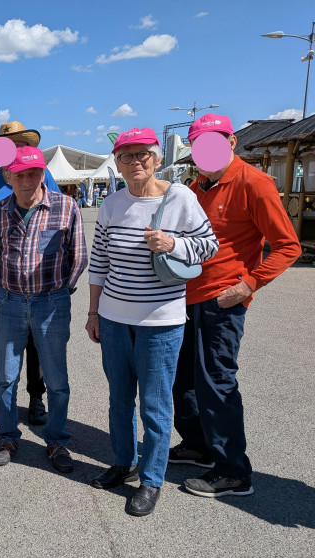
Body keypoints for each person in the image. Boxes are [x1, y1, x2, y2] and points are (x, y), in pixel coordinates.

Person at [85, 127, 219, 517]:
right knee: (119, 399)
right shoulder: (112, 204)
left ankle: (151, 479)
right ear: (117, 163)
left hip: (161, 322)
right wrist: (93, 312)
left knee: (156, 405)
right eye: (126, 156)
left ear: (157, 159)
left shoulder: (181, 198)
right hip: (113, 319)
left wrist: (174, 244)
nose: (135, 161)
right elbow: (100, 264)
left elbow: (208, 244)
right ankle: (123, 462)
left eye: (143, 154)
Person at [170, 114, 301, 498]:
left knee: (216, 382)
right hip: (186, 297)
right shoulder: (196, 185)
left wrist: (247, 285)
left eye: (213, 142)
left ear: (231, 141)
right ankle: (198, 445)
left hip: (222, 300)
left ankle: (233, 471)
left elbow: (288, 247)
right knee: (183, 380)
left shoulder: (254, 182)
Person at [0, 146, 87, 470]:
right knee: (5, 378)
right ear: (8, 177)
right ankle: (7, 436)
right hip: (10, 303)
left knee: (56, 380)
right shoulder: (0, 211)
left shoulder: (66, 206)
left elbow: (79, 255)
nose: (29, 180)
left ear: (44, 173)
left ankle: (56, 441)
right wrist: (8, 287)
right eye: (21, 175)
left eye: (35, 173)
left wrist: (60, 291)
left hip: (51, 304)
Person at [0, 121, 62, 426]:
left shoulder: (42, 174)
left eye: (20, 143)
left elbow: (56, 215)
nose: (15, 148)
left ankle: (36, 397)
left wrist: (39, 258)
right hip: (0, 274)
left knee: (37, 336)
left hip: (38, 273)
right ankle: (3, 395)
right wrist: (2, 259)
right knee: (3, 336)